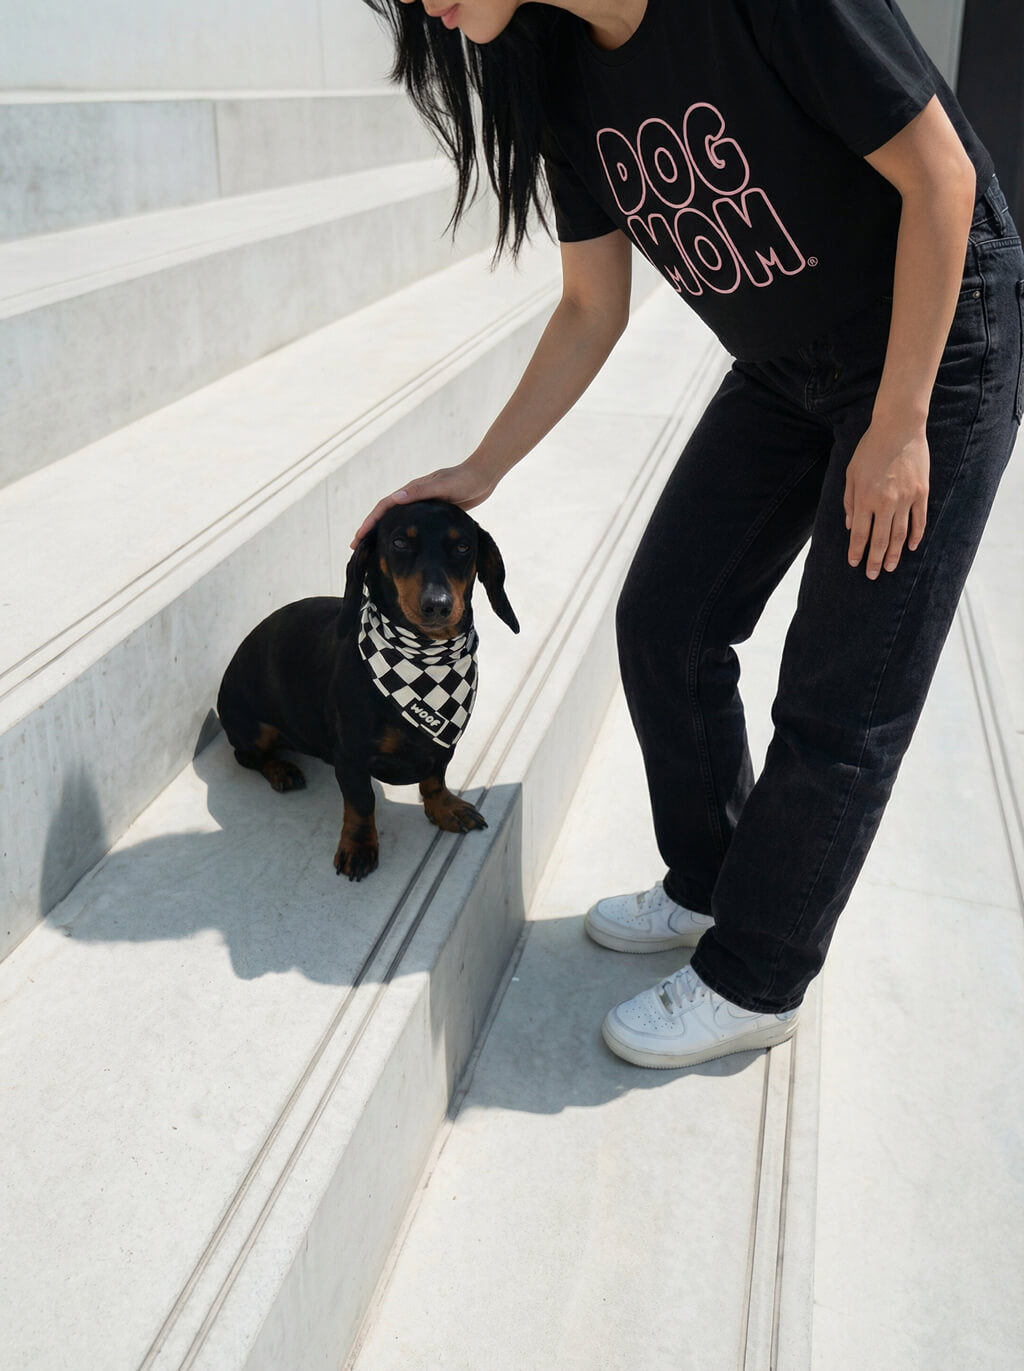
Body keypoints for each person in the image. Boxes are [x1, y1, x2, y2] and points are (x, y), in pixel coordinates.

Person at [356, 0, 1024, 1068]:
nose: (424, 7)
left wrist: (898, 427)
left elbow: (941, 182)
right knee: (666, 619)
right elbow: (589, 306)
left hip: (929, 342)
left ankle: (760, 974)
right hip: (784, 365)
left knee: (843, 689)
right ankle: (713, 884)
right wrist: (479, 468)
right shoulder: (560, 76)